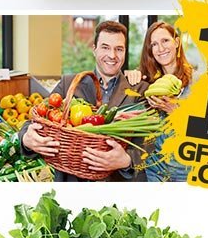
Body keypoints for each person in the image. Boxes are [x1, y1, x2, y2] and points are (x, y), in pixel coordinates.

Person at [20, 21, 149, 181]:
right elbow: (36, 119)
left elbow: (151, 143)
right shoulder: (68, 84)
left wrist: (127, 161)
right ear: (94, 49)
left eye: (119, 49)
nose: (112, 55)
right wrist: (26, 138)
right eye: (105, 47)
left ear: (125, 52)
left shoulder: (140, 90)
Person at [126, 20, 196, 182]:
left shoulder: (198, 82)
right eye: (154, 44)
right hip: (155, 171)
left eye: (165, 41)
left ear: (177, 42)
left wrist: (174, 111)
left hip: (187, 172)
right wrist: (131, 75)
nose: (161, 48)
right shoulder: (148, 83)